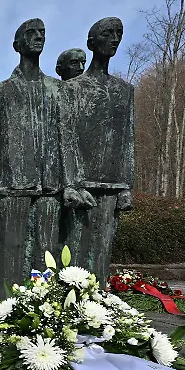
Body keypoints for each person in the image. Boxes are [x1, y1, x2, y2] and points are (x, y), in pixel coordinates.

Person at [0, 19, 86, 304]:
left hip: (50, 185)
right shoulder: (2, 91)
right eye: (31, 33)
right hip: (11, 185)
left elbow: (67, 139)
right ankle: (5, 306)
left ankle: (44, 307)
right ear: (17, 45)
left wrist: (70, 184)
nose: (38, 36)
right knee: (9, 248)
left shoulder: (57, 89)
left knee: (47, 249)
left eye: (42, 33)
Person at [61, 17, 135, 280]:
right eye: (108, 33)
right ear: (91, 43)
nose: (114, 39)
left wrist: (126, 186)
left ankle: (98, 300)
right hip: (81, 186)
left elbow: (127, 140)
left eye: (119, 33)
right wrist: (71, 184)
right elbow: (66, 138)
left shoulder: (124, 90)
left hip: (112, 185)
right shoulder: (71, 88)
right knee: (73, 257)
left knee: (101, 256)